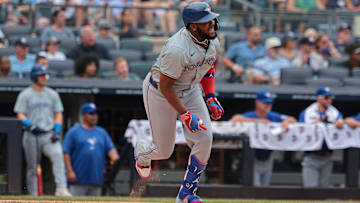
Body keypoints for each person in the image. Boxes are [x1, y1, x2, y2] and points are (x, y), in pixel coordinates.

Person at [135, 2, 224, 203]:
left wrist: (210, 97)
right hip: (160, 92)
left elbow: (207, 66)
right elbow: (167, 87)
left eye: (211, 19)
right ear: (193, 26)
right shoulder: (177, 49)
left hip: (190, 90)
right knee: (164, 150)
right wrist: (185, 115)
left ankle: (185, 195)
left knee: (205, 138)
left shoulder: (212, 40)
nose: (212, 23)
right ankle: (142, 153)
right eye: (205, 21)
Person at [13, 65, 72, 196]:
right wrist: (29, 124)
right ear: (34, 77)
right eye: (41, 75)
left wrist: (57, 130)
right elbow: (20, 113)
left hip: (48, 134)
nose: (44, 78)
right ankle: (33, 194)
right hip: (31, 134)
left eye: (45, 75)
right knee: (32, 167)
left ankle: (61, 188)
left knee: (57, 156)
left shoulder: (52, 94)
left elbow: (58, 113)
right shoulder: (25, 94)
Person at [231, 90, 296, 187]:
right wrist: (257, 121)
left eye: (269, 103)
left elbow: (293, 119)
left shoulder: (273, 116)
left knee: (265, 188)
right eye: (265, 103)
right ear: (257, 102)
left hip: (268, 158)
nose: (267, 105)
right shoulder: (252, 115)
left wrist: (287, 122)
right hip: (253, 158)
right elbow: (235, 119)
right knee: (255, 188)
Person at [63, 102, 119, 196]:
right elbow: (66, 152)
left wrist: (114, 158)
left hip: (96, 178)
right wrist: (69, 171)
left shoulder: (102, 132)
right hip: (78, 178)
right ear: (83, 115)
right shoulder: (73, 132)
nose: (94, 116)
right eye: (91, 113)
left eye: (96, 113)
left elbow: (111, 150)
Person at [299, 86, 344, 188]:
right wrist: (312, 125)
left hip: (327, 156)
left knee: (325, 189)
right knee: (311, 190)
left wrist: (341, 122)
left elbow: (341, 121)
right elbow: (301, 130)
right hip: (311, 156)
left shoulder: (334, 112)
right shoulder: (308, 112)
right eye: (326, 97)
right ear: (319, 98)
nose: (329, 100)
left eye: (330, 98)